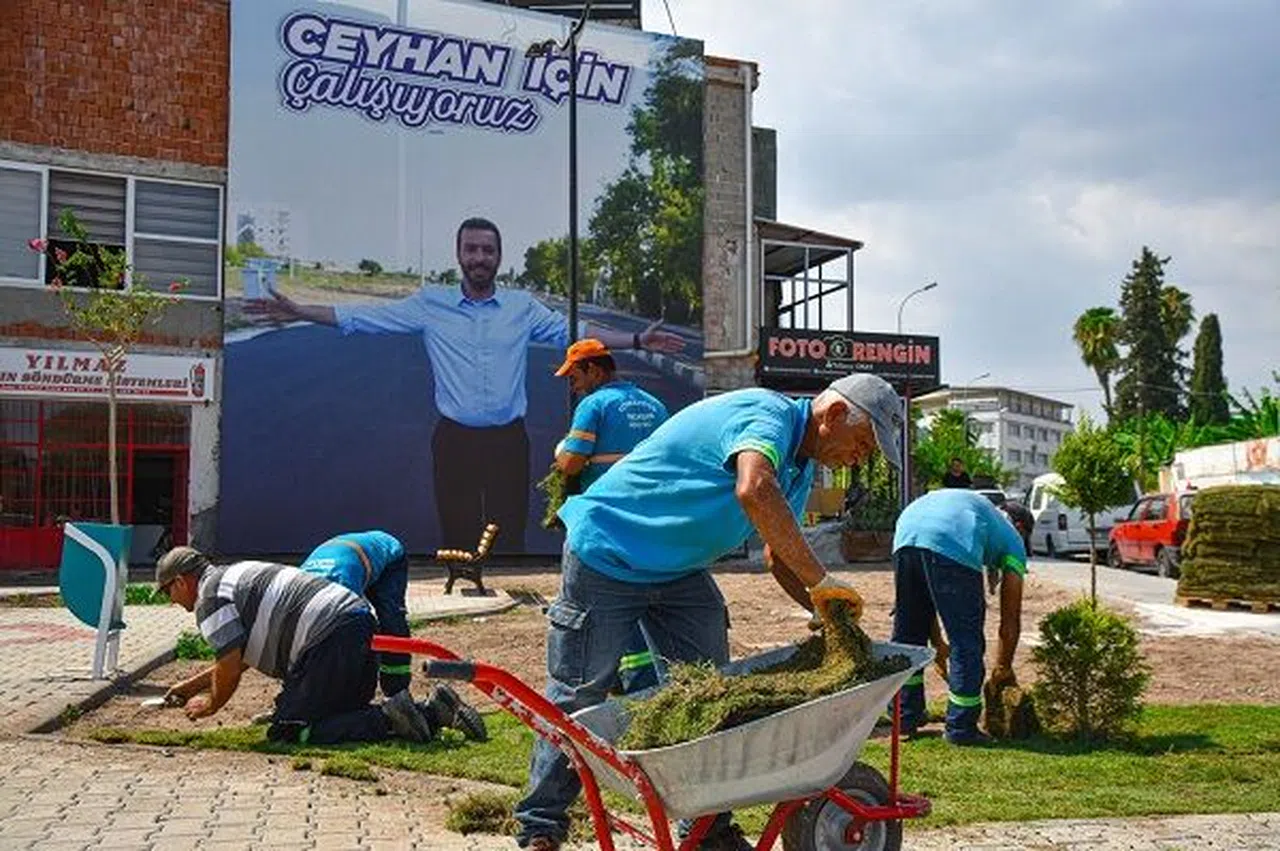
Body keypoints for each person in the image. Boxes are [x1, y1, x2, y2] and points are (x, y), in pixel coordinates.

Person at [515, 373, 904, 851]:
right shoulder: (768, 415)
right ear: (836, 415)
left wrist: (826, 610)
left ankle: (706, 831)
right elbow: (753, 489)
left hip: (677, 571)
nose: (861, 457)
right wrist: (822, 580)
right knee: (578, 694)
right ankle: (541, 826)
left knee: (710, 693)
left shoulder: (800, 468)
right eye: (864, 442)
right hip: (608, 552)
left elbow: (778, 555)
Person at [243, 218, 685, 553]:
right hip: (454, 440)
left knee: (509, 531)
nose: (479, 257)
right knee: (455, 531)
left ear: (499, 257)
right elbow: (363, 318)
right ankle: (462, 593)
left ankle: (511, 596)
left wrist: (637, 340)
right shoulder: (430, 305)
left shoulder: (520, 307)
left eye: (487, 250)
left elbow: (577, 333)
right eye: (471, 249)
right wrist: (301, 311)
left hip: (509, 442)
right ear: (458, 255)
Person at [155, 546, 483, 746]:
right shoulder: (232, 574)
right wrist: (190, 685)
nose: (172, 601)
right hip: (353, 624)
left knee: (289, 730)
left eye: (168, 592)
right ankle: (432, 710)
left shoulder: (209, 599)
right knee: (338, 713)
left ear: (182, 581)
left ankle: (389, 717)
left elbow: (229, 665)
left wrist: (212, 704)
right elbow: (239, 657)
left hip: (328, 638)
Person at [553, 338, 670, 693]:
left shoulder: (594, 405)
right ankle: (644, 680)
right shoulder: (655, 406)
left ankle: (614, 679)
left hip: (605, 524)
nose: (573, 385)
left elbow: (571, 463)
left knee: (597, 602)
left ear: (595, 370)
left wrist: (561, 451)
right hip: (649, 520)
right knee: (644, 596)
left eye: (575, 376)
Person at [890, 489, 1027, 745]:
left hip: (906, 533)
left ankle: (904, 719)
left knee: (908, 634)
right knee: (966, 641)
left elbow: (926, 606)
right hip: (952, 538)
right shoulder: (1013, 539)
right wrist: (1003, 668)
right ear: (1019, 526)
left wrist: (938, 644)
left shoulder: (983, 514)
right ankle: (961, 728)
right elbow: (1010, 622)